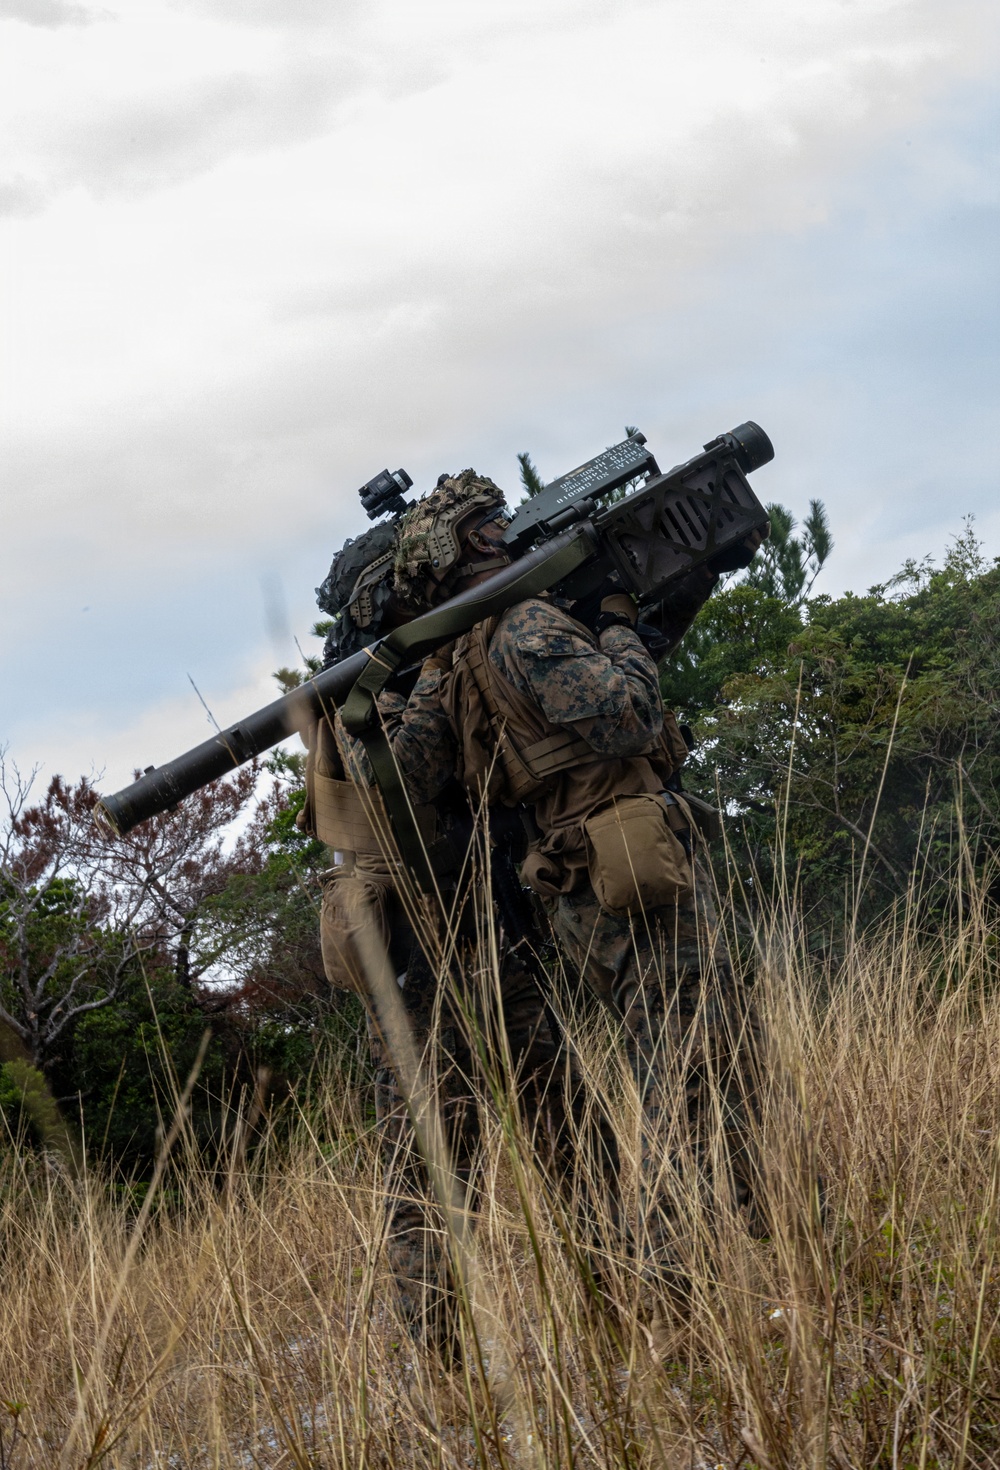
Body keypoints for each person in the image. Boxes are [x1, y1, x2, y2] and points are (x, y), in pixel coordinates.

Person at [345, 468, 764, 1304]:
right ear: (477, 542)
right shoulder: (523, 626)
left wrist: (662, 597)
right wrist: (612, 623)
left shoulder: (444, 662)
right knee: (687, 1070)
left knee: (673, 1076)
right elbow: (627, 714)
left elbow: (435, 773)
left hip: (554, 890)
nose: (509, 527)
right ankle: (674, 1277)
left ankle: (705, 1260)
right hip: (606, 876)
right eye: (494, 520)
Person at [301, 502, 595, 1359]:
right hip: (426, 957)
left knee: (563, 1131)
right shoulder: (372, 686)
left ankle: (625, 1306)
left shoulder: (439, 657)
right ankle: (444, 1360)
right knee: (434, 1171)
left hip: (487, 932)